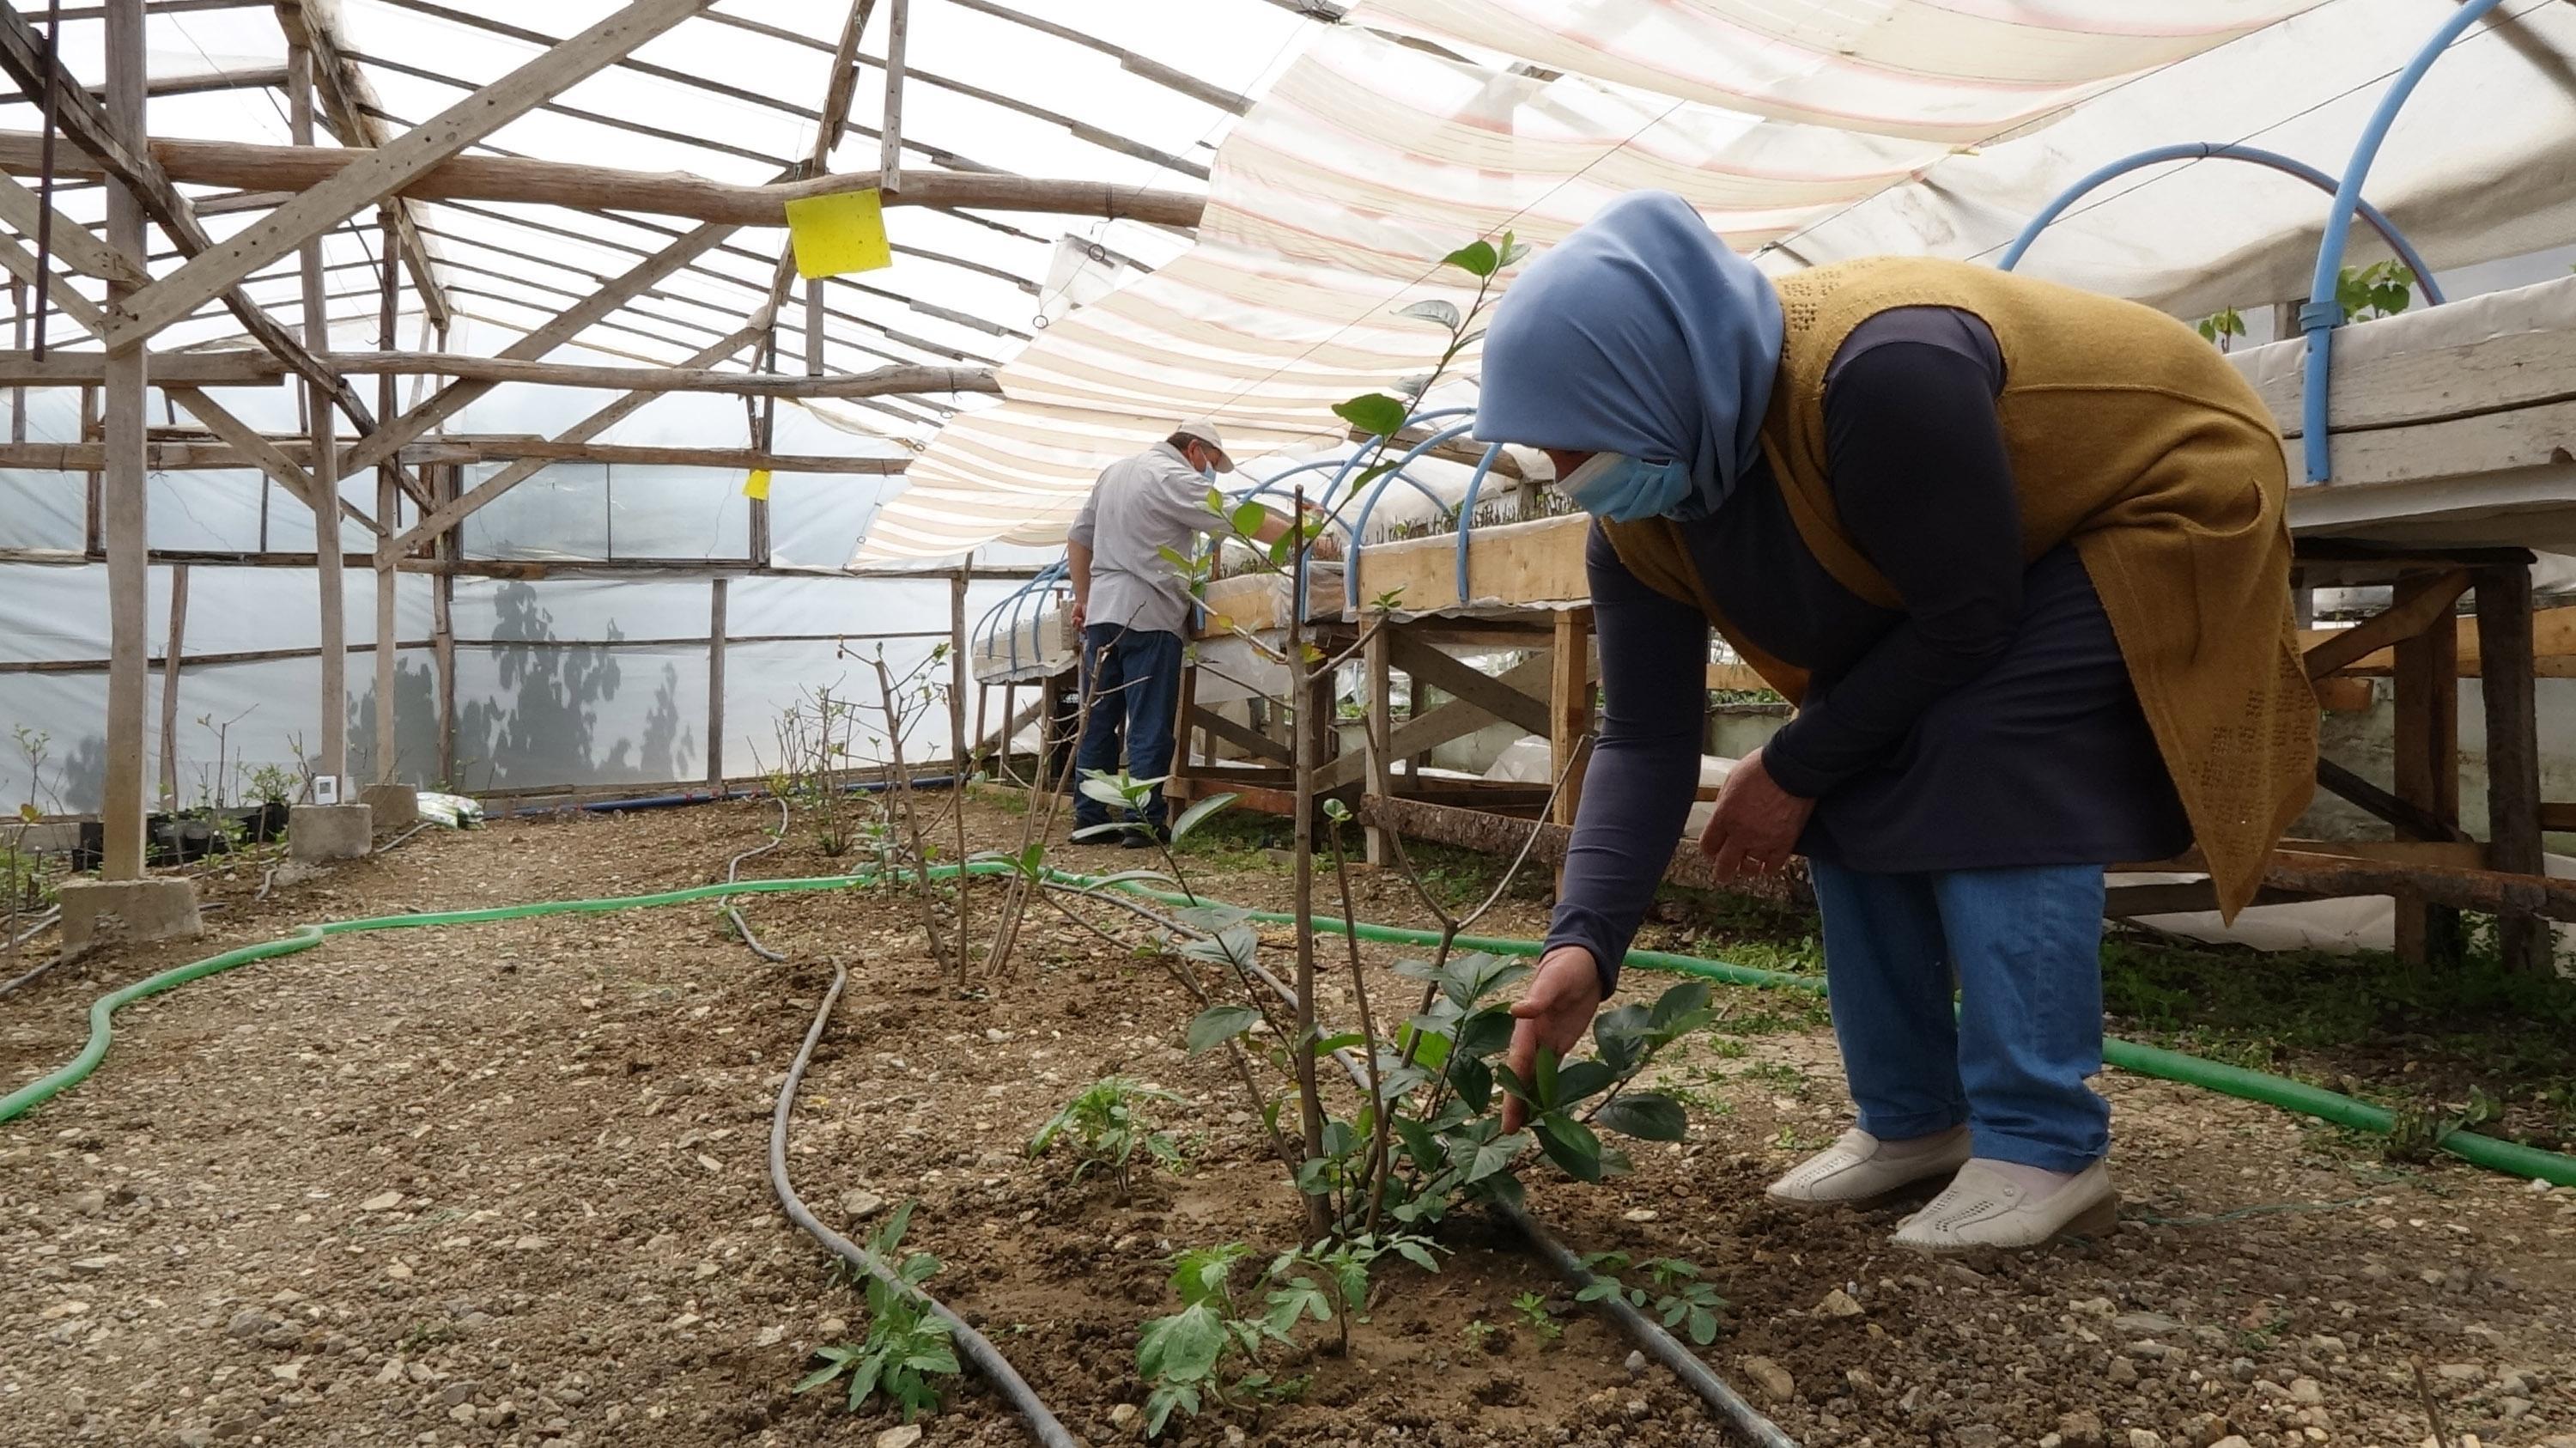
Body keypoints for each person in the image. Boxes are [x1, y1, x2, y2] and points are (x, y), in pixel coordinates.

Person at [1473, 192, 2316, 1252]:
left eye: (1575, 443)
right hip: (1987, 559)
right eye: (1548, 455)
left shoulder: (1876, 371)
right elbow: (1643, 736)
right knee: (1842, 768)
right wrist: (1583, 945)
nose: (1571, 479)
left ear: (1658, 374)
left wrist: (1790, 762)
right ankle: (1915, 1122)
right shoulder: (1646, 521)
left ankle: (2045, 1145)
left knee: (1990, 742)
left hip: (2153, 488)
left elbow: (1967, 621)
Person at [1065, 420, 1301, 846]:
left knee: (1099, 719)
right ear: (1193, 450)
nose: (1206, 472)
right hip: (1148, 613)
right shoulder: (1172, 476)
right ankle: (1142, 823)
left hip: (1102, 616)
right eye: (1209, 463)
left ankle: (1089, 819)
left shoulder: (1115, 473)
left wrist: (1083, 598)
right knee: (1149, 721)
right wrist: (1303, 533)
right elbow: (1235, 518)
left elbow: (1079, 538)